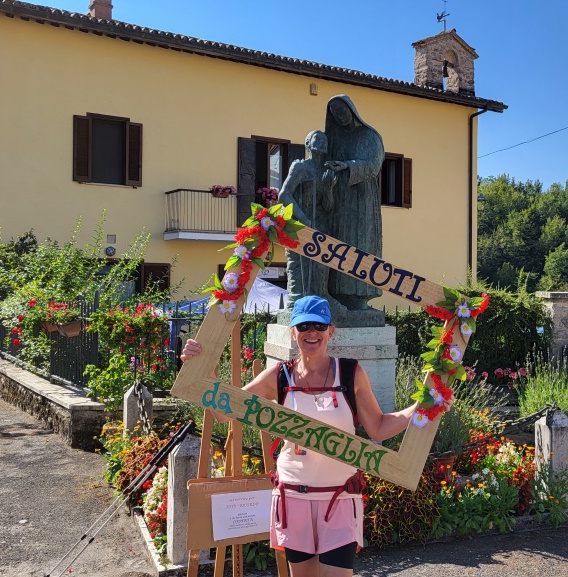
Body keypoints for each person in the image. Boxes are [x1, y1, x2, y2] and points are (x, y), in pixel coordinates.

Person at [180, 295, 422, 577]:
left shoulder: (350, 372)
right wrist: (201, 367)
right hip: (293, 497)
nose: (312, 333)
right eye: (304, 326)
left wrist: (423, 408)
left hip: (340, 497)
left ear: (331, 331)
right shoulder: (280, 376)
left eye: (319, 326)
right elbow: (225, 413)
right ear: (292, 332)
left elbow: (378, 427)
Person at [322, 95, 385, 311]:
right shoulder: (334, 137)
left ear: (351, 110)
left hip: (362, 200)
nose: (340, 117)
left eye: (342, 111)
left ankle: (359, 296)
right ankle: (337, 294)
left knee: (361, 244)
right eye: (335, 113)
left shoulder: (370, 136)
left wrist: (347, 166)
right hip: (338, 199)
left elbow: (373, 165)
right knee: (339, 243)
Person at [277, 130, 338, 306]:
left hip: (320, 226)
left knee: (321, 266)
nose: (323, 142)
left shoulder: (326, 172)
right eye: (318, 138)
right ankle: (296, 303)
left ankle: (321, 299)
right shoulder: (300, 167)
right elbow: (284, 195)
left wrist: (329, 188)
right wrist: (304, 220)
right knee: (299, 268)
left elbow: (328, 207)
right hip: (300, 226)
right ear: (308, 144)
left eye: (325, 139)